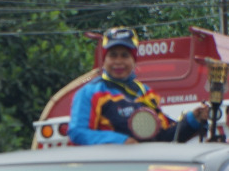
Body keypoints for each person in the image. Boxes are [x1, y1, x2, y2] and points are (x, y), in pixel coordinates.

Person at [68, 27, 207, 145]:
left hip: (145, 170)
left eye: (125, 55)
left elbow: (164, 136)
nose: (118, 62)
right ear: (104, 60)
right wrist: (121, 141)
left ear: (134, 60)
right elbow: (77, 132)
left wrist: (193, 120)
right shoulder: (90, 92)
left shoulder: (145, 92)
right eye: (113, 55)